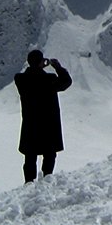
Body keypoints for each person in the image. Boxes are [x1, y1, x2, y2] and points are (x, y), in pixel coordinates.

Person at [14, 49, 73, 183]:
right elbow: (66, 82)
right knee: (50, 154)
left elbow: (26, 76)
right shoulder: (49, 80)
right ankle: (47, 179)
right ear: (42, 62)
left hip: (30, 123)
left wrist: (37, 66)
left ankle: (29, 182)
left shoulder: (21, 79)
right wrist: (57, 67)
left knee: (30, 156)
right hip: (48, 123)